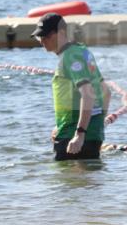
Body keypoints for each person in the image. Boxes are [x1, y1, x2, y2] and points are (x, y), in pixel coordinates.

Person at [32, 13, 111, 161]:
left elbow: (87, 94)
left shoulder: (70, 56)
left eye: (46, 36)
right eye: (39, 37)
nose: (42, 41)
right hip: (90, 135)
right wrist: (97, 125)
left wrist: (79, 134)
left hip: (73, 138)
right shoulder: (82, 51)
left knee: (67, 182)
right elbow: (106, 92)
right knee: (87, 182)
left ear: (61, 33)